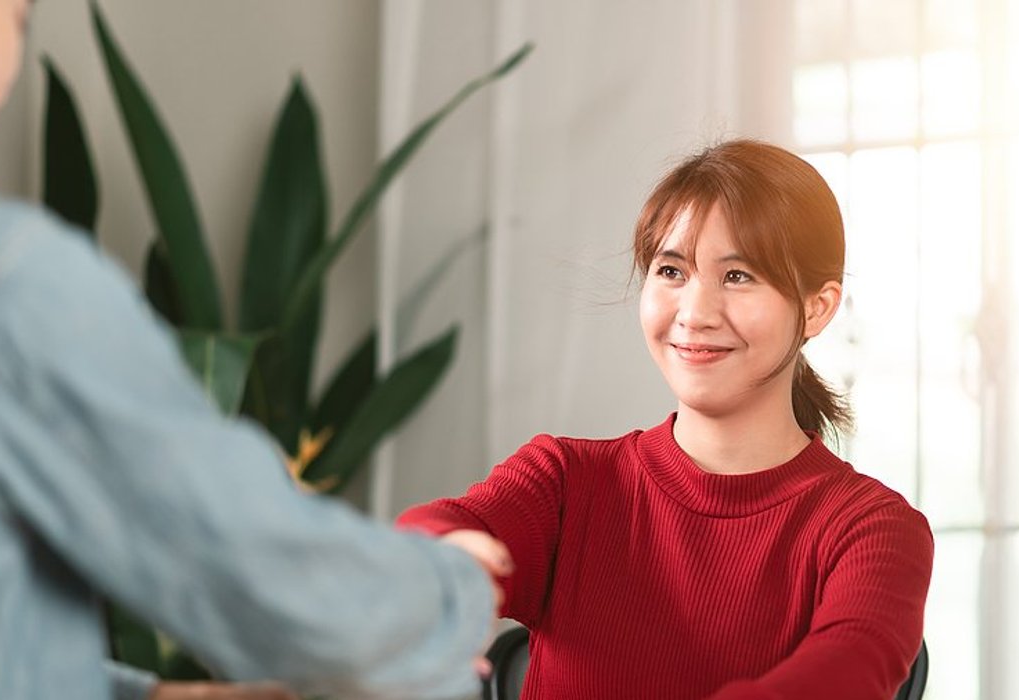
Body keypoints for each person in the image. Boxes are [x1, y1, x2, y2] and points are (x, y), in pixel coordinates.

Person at [0, 1, 499, 699]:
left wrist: (157, 696)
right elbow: (270, 581)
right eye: (17, 17)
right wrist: (453, 593)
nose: (8, 68)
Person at [397, 139, 935, 699]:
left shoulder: (874, 531)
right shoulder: (565, 480)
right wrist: (437, 566)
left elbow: (842, 675)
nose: (694, 314)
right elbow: (437, 532)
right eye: (672, 270)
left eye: (738, 276)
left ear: (817, 308)